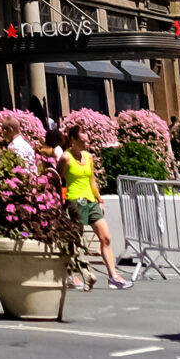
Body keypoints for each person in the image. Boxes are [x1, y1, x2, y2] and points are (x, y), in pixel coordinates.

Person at [61, 124, 127, 291]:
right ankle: (70, 274)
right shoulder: (65, 158)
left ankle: (113, 276)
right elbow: (57, 179)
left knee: (106, 238)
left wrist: (99, 198)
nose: (86, 144)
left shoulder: (89, 157)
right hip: (75, 201)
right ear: (73, 140)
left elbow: (92, 180)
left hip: (90, 201)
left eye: (87, 141)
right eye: (83, 141)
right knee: (75, 241)